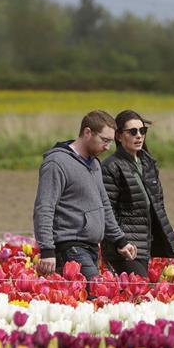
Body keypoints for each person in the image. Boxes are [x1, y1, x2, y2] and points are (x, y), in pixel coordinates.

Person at [33, 110, 136, 282]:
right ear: (88, 133)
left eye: (110, 142)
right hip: (69, 247)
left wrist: (120, 240)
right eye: (104, 140)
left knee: (91, 300)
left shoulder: (94, 163)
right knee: (97, 294)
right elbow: (44, 207)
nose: (108, 147)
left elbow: (103, 204)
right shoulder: (57, 163)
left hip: (92, 247)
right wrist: (47, 250)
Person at [101, 109, 174, 278]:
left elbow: (158, 206)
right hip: (123, 247)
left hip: (144, 244)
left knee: (138, 294)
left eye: (142, 131)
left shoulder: (147, 163)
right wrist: (120, 241)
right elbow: (107, 210)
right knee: (138, 291)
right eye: (133, 131)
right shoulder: (111, 166)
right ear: (119, 136)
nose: (139, 136)